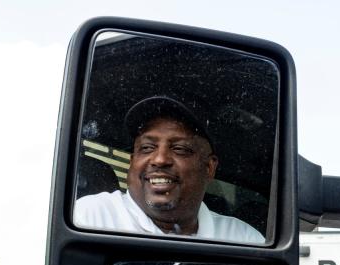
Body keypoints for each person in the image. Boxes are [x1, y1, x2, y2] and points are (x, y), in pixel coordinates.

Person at [74, 96, 265, 243]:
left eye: (180, 149)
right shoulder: (90, 217)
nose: (159, 159)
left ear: (208, 167)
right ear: (132, 162)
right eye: (147, 148)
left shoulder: (242, 238)